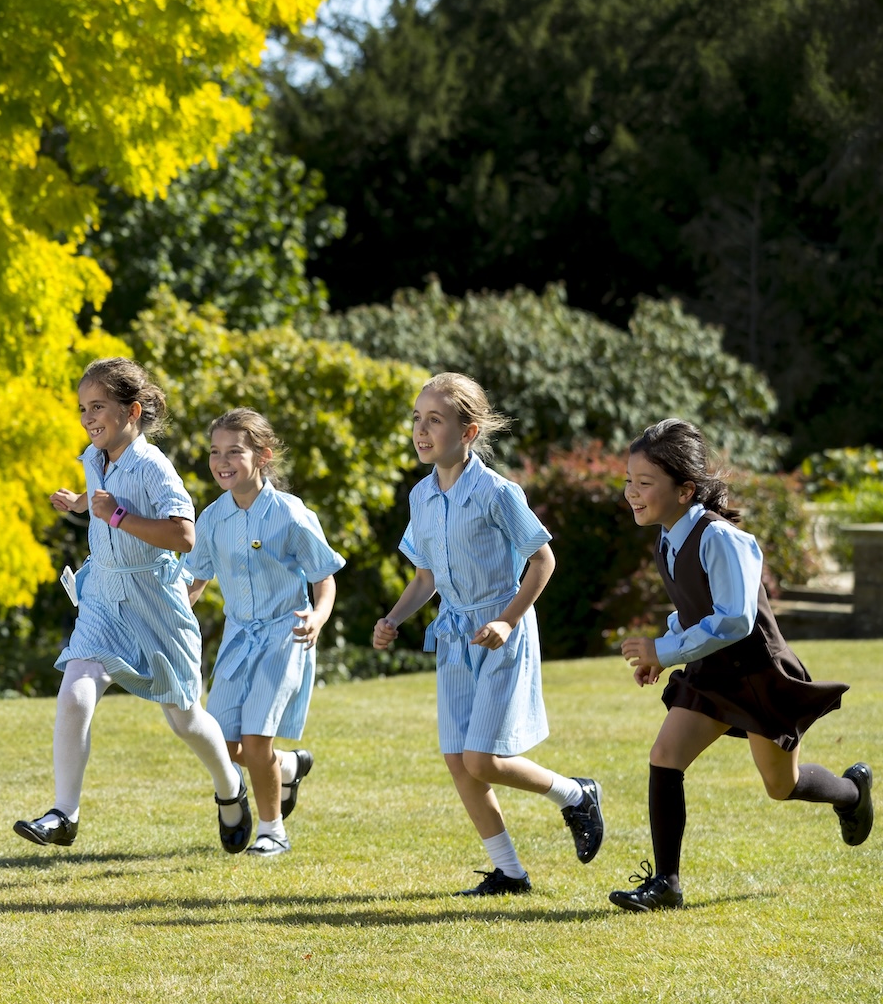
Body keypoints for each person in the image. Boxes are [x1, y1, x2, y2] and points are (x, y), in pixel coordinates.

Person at [609, 418, 872, 912]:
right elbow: (693, 608)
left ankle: (851, 794)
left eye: (644, 483)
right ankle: (667, 883)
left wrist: (664, 652)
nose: (631, 493)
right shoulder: (667, 536)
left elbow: (733, 620)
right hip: (710, 675)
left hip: (756, 676)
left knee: (781, 785)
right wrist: (666, 648)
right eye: (629, 480)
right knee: (665, 754)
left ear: (685, 490)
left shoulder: (723, 538)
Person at [373, 373, 605, 895]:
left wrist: (507, 619)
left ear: (469, 431)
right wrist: (394, 619)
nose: (421, 430)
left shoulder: (499, 493)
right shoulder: (421, 497)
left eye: (435, 420)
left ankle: (576, 794)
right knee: (460, 761)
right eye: (417, 418)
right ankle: (511, 873)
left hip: (502, 633)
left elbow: (543, 560)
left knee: (483, 759)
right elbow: (426, 578)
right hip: (454, 638)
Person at [13, 357, 251, 852]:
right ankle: (64, 813)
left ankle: (230, 789)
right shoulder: (93, 455)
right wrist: (81, 503)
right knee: (76, 689)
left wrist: (115, 515)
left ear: (132, 411)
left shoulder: (153, 465)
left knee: (184, 717)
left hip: (155, 603)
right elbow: (102, 497)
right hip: (102, 593)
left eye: (97, 406)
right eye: (82, 408)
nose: (87, 417)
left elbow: (185, 535)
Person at [184, 408, 343, 856]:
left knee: (255, 741)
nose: (222, 461)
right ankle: (287, 768)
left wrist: (317, 617)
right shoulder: (212, 519)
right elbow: (194, 580)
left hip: (285, 635)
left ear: (262, 456)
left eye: (234, 451)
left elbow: (324, 577)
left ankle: (273, 831)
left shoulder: (291, 514)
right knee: (224, 743)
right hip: (238, 638)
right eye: (215, 452)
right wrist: (170, 614)